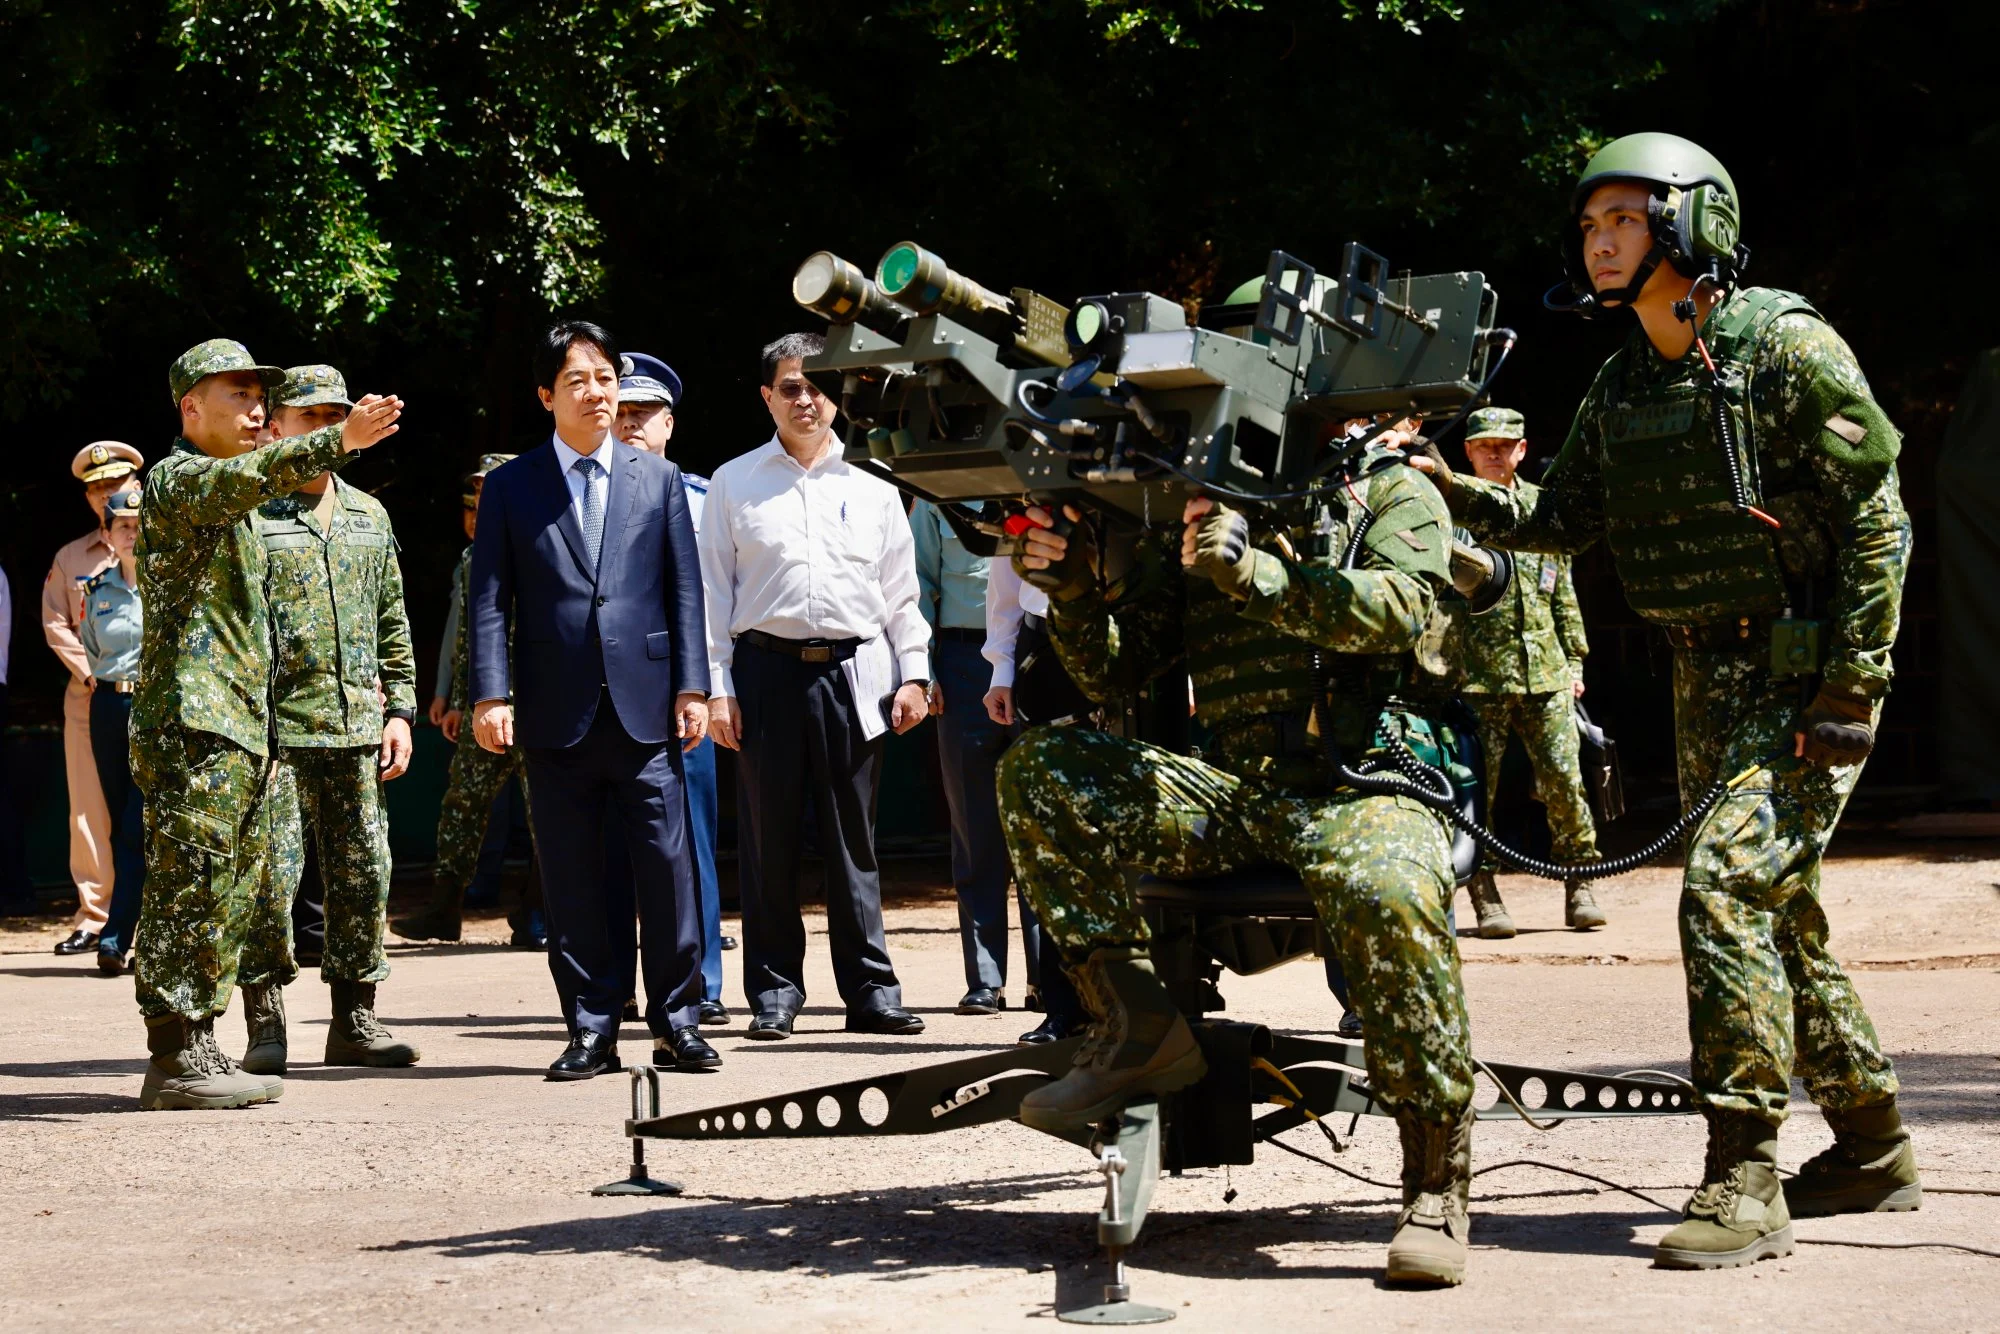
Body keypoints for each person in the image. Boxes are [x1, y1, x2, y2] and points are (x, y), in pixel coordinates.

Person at [1405, 133, 1919, 1268]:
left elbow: (1878, 516)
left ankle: (1743, 1170)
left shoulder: (1781, 347)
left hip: (1803, 675)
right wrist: (1436, 487)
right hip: (1703, 671)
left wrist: (1850, 679)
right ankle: (1873, 1143)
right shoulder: (1625, 377)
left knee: (1723, 891)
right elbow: (1554, 521)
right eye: (1589, 226)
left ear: (1692, 228)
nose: (1597, 242)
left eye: (1623, 222)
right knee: (1776, 906)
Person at [1003, 459, 1480, 1284]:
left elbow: (1399, 612)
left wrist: (1259, 575)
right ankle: (1138, 1026)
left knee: (1389, 887)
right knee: (1040, 772)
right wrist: (1076, 593)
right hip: (1241, 793)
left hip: (1364, 786)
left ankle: (1434, 1182)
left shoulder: (1391, 492)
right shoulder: (1193, 516)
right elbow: (1115, 670)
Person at [133, 338, 400, 1111]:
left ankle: (201, 1047)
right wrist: (331, 441)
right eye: (239, 396)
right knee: (190, 885)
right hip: (193, 722)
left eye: (261, 398)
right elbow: (243, 477)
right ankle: (175, 1053)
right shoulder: (179, 478)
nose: (256, 410)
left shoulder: (241, 505)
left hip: (241, 724)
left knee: (229, 888)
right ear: (191, 408)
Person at [469, 320, 717, 1080]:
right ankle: (591, 1029)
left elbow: (683, 588)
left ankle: (678, 1022)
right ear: (548, 396)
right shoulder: (513, 486)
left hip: (647, 705)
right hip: (554, 708)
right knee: (574, 879)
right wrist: (490, 694)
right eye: (578, 380)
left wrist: (693, 684)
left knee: (667, 871)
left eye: (606, 377)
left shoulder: (660, 479)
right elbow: (489, 599)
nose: (597, 392)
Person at [700, 333, 931, 1040]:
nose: (807, 399)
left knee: (851, 840)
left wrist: (915, 671)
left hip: (855, 674)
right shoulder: (734, 482)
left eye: (819, 386)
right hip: (763, 672)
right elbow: (711, 593)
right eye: (792, 387)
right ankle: (773, 992)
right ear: (767, 396)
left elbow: (900, 596)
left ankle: (870, 991)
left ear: (840, 396)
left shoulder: (875, 485)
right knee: (768, 840)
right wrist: (715, 687)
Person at [234, 364, 421, 1074]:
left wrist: (400, 709)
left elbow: (392, 621)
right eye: (311, 418)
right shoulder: (251, 512)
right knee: (270, 882)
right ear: (275, 427)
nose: (327, 429)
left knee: (363, 876)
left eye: (335, 415)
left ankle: (354, 1018)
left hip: (355, 730)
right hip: (277, 733)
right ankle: (265, 1023)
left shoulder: (369, 515)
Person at [1453, 407, 1604, 938]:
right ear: (1468, 452)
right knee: (1478, 792)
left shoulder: (1542, 508)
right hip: (1474, 675)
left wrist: (1575, 659)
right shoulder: (1451, 511)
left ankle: (1581, 883)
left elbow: (1563, 590)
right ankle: (1485, 893)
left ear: (1521, 448)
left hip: (1545, 670)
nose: (1494, 453)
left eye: (1504, 445)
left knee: (1565, 781)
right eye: (1484, 446)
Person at [611, 352, 728, 1026]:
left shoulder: (707, 501)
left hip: (685, 698)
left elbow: (719, 608)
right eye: (620, 411)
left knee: (692, 844)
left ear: (669, 425)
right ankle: (619, 984)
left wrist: (712, 692)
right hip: (606, 699)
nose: (630, 424)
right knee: (612, 849)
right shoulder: (584, 495)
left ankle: (701, 982)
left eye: (643, 413)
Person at [391, 454, 547, 948]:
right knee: (461, 806)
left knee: (547, 811)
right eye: (473, 500)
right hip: (487, 707)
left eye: (489, 496)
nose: (479, 510)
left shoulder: (546, 546)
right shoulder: (471, 558)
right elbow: (468, 640)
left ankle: (540, 915)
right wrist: (454, 697)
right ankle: (443, 910)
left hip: (539, 707)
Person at [911, 498, 1022, 1016]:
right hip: (962, 661)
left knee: (1044, 825)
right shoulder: (937, 493)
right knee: (974, 828)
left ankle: (1055, 979)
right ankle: (986, 977)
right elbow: (917, 585)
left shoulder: (1039, 478)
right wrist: (924, 671)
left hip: (1038, 653)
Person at [980, 554, 1088, 1046]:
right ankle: (1063, 1006)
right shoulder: (1028, 484)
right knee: (1051, 837)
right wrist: (1002, 669)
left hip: (1126, 636)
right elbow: (1005, 582)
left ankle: (1154, 1001)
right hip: (1043, 643)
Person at [43, 441, 145, 955]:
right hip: (91, 699)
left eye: (117, 483)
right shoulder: (71, 557)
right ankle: (94, 914)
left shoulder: (162, 547)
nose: (108, 492)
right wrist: (90, 675)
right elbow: (57, 624)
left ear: (137, 485)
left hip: (149, 699)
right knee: (89, 810)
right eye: (98, 488)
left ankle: (139, 917)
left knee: (146, 811)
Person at [79, 489, 147, 975]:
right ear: (106, 535)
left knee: (137, 822)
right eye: (121, 526)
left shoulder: (166, 585)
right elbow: (89, 650)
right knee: (116, 818)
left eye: (138, 524)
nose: (131, 533)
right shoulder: (96, 590)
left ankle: (116, 935)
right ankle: (119, 933)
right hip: (106, 705)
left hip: (152, 707)